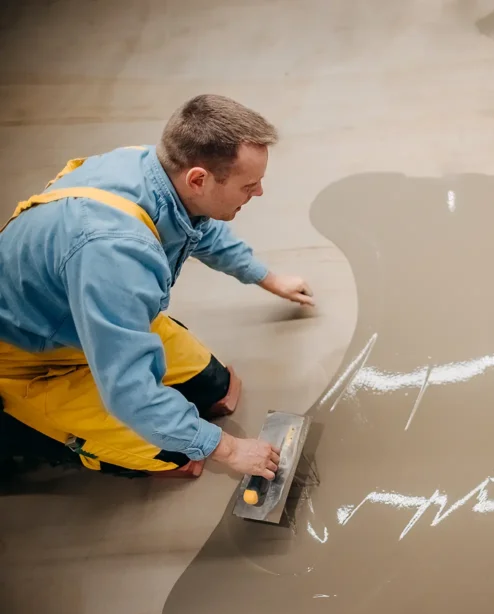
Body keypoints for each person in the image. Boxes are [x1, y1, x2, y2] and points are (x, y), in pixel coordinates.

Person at [0, 94, 313, 480]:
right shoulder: (115, 256)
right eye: (249, 185)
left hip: (80, 309)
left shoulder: (156, 169)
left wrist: (268, 278)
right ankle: (21, 435)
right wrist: (228, 449)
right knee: (175, 455)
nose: (259, 192)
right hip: (27, 351)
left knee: (215, 387)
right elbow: (128, 391)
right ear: (198, 179)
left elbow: (198, 227)